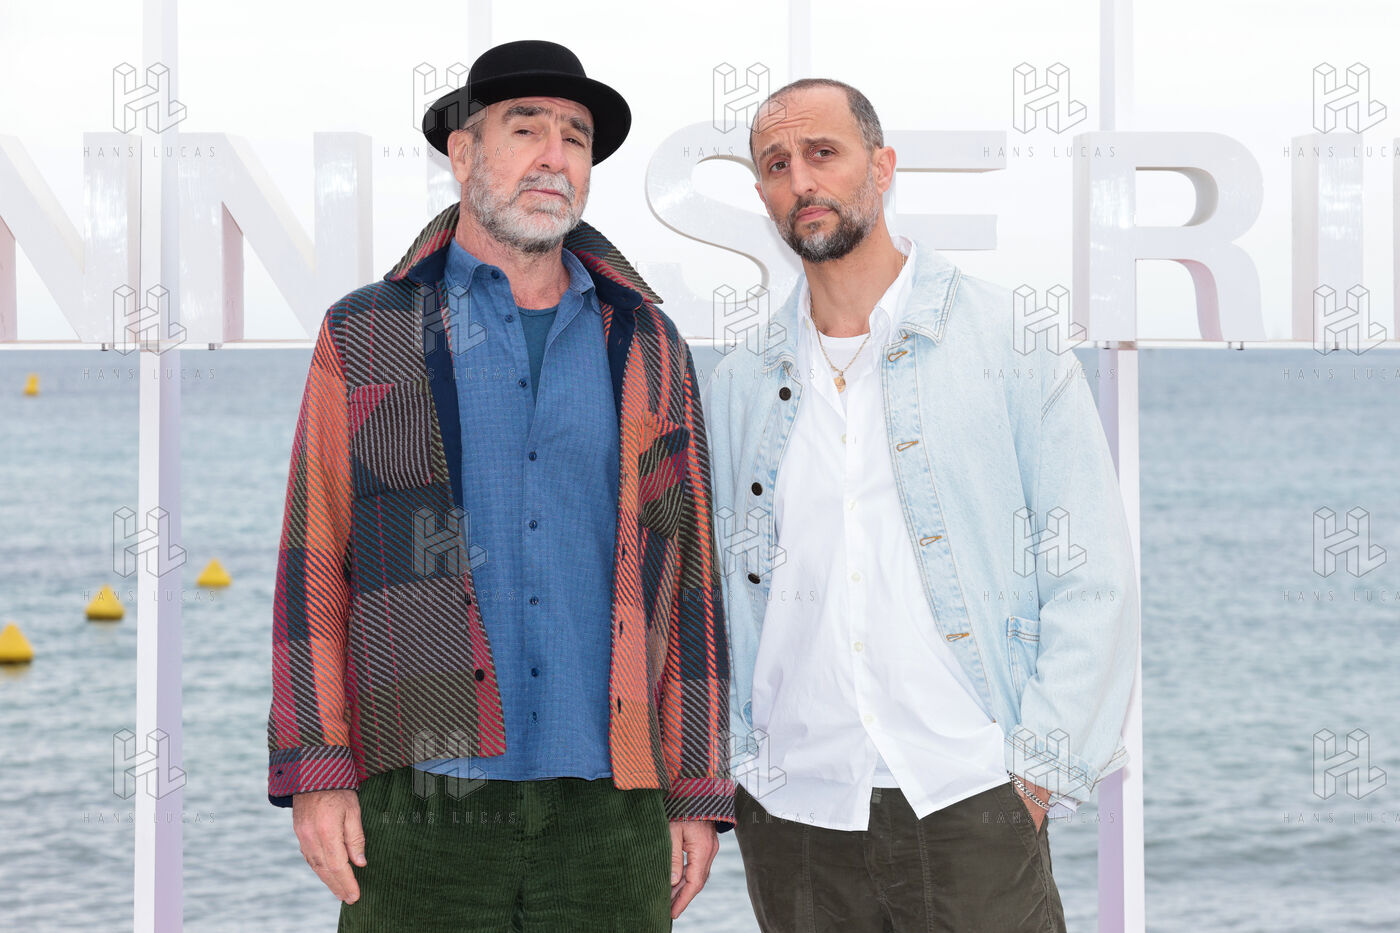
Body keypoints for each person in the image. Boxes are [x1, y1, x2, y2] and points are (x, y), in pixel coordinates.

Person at [266, 39, 732, 932]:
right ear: (464, 153)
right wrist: (317, 767)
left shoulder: (646, 342)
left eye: (576, 138)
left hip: (613, 802)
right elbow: (315, 558)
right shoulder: (369, 330)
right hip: (419, 790)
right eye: (526, 130)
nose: (555, 156)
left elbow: (688, 575)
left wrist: (697, 788)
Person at [703, 77, 1141, 932]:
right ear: (762, 193)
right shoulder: (740, 383)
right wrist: (733, 763)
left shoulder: (1008, 343)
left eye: (823, 152)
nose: (802, 179)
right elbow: (716, 596)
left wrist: (1038, 772)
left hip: (968, 794)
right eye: (777, 164)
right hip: (795, 809)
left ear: (882, 166)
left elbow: (1089, 571)